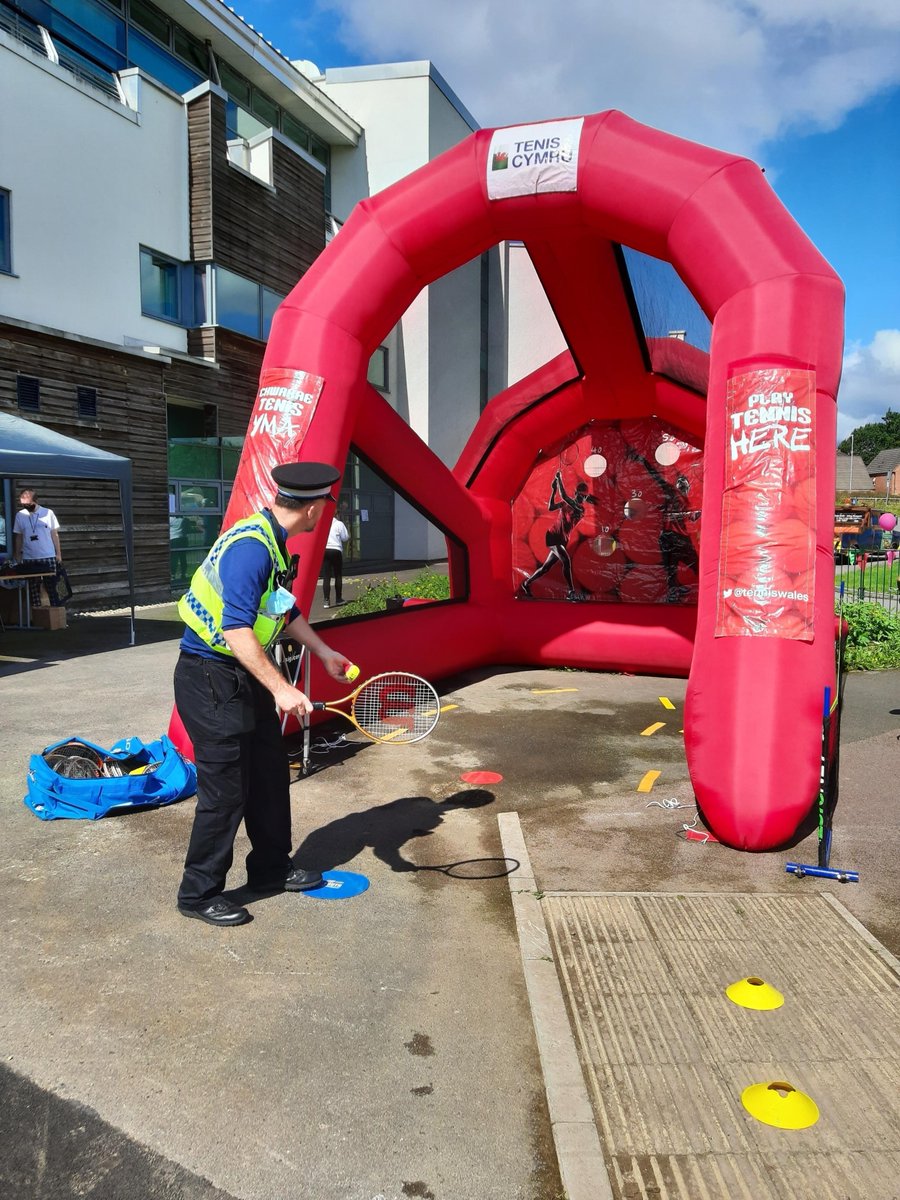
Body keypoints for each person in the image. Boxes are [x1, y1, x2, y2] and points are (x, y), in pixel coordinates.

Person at [173, 462, 351, 927]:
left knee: (271, 775)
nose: (324, 516)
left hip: (241, 675)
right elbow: (234, 629)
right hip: (209, 678)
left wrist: (325, 651)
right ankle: (198, 893)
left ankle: (272, 869)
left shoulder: (272, 539)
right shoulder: (253, 547)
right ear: (312, 508)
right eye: (324, 508)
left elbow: (282, 608)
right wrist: (282, 687)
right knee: (226, 792)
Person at [521, 470, 597, 600]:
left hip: (563, 540)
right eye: (580, 495)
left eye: (584, 496)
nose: (582, 498)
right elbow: (551, 507)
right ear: (576, 494)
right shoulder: (566, 504)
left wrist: (559, 479)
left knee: (545, 568)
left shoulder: (581, 509)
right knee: (566, 561)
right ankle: (571, 592)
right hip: (553, 536)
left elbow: (565, 497)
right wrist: (554, 489)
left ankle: (526, 583)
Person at [12, 488, 63, 608]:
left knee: (52, 587)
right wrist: (17, 554)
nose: (26, 506)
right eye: (23, 504)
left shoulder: (48, 513)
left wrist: (59, 553)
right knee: (33, 589)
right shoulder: (20, 515)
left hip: (48, 555)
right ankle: (38, 615)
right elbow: (18, 537)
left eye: (29, 504)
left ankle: (57, 613)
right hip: (29, 557)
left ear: (36, 501)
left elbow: (54, 534)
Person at [321, 511, 350, 607]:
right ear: (337, 514)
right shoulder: (339, 524)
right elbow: (345, 537)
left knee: (326, 576)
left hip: (325, 550)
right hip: (336, 550)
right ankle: (338, 599)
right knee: (337, 575)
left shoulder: (323, 523)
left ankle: (326, 601)